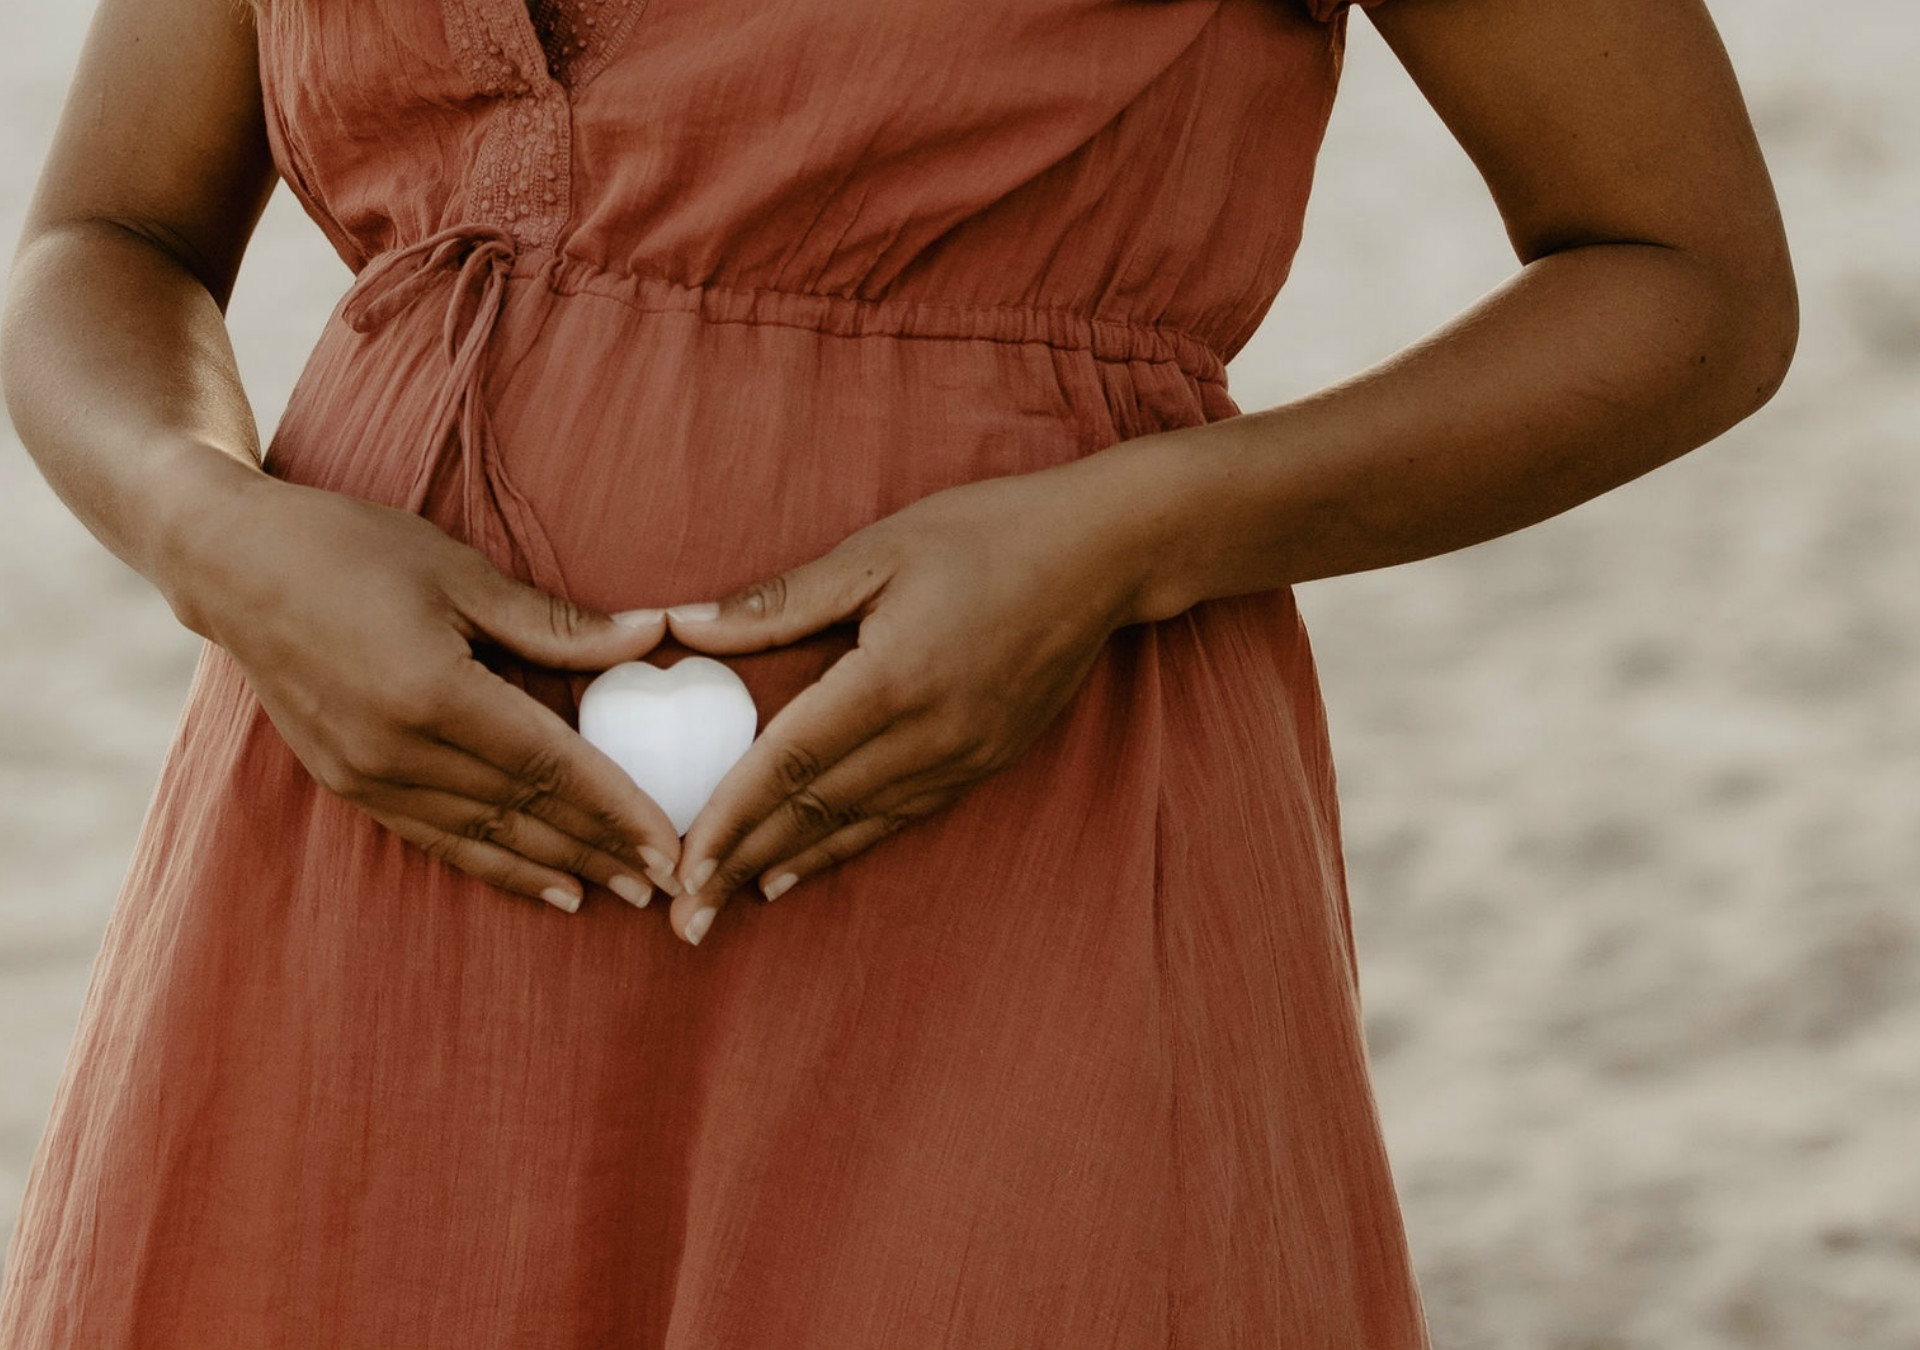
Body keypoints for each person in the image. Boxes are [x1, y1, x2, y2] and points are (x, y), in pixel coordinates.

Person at [0, 0, 1794, 1342]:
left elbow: (1683, 273)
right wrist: (207, 529)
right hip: (365, 854)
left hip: (1018, 843)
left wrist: (1126, 535)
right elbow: (109, 235)